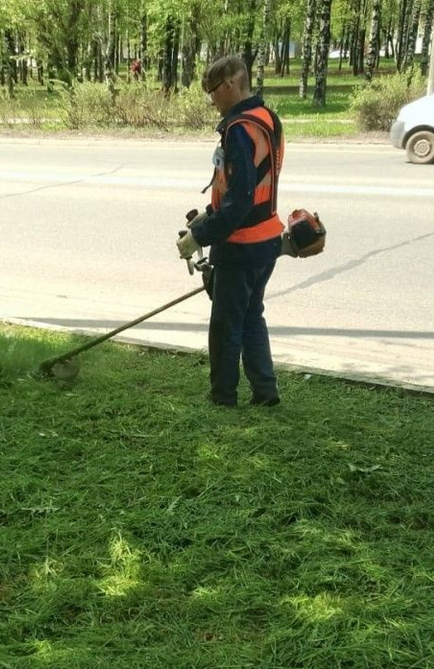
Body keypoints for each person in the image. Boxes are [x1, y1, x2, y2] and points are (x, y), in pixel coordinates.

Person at [176, 55, 284, 408]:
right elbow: (248, 190)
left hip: (240, 245)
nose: (211, 100)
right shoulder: (268, 119)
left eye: (212, 91)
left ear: (230, 85)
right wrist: (206, 217)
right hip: (267, 240)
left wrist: (201, 236)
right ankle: (265, 392)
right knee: (252, 316)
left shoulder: (239, 128)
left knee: (225, 325)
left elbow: (239, 202)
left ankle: (223, 397)